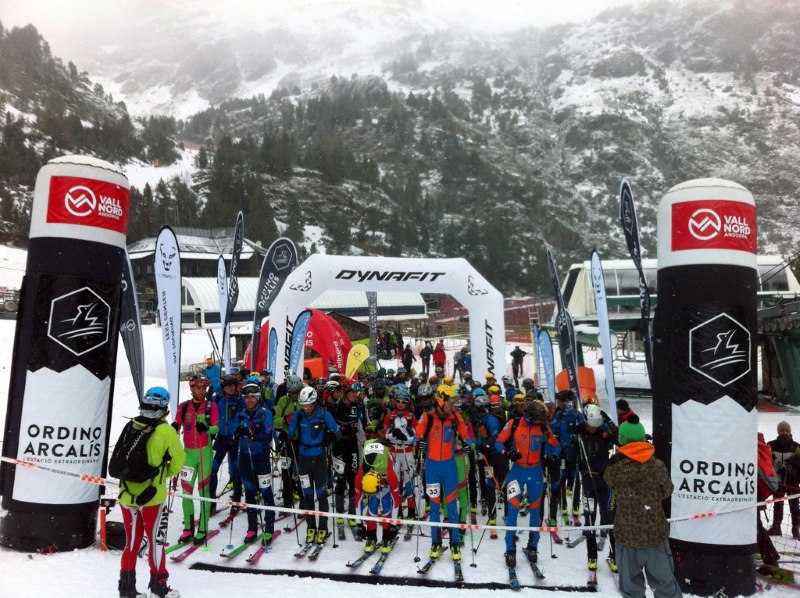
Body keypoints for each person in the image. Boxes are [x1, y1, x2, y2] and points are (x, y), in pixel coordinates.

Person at [118, 387, 185, 598]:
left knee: (131, 543)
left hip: (127, 494)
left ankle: (126, 588)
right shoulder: (166, 431)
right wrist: (161, 475)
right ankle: (159, 586)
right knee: (156, 542)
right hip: (152, 497)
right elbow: (179, 461)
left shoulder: (132, 424)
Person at [603, 414, 681, 598]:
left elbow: (608, 480)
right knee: (665, 586)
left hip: (627, 536)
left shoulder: (616, 469)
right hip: (655, 535)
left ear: (623, 441)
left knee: (631, 589)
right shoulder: (657, 466)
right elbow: (667, 490)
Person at [495, 398, 559, 568]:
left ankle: (532, 546)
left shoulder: (543, 427)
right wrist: (507, 453)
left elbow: (556, 446)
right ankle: (510, 549)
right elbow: (498, 443)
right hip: (517, 472)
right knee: (513, 512)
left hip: (535, 473)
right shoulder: (514, 423)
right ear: (531, 416)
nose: (541, 422)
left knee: (535, 513)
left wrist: (551, 457)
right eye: (539, 419)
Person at [416, 387, 473, 561]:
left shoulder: (456, 418)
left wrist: (468, 444)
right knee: (434, 507)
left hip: (449, 468)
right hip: (432, 468)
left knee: (451, 506)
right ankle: (436, 542)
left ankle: (455, 543)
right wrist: (420, 441)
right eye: (452, 402)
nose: (455, 406)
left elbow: (466, 436)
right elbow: (416, 434)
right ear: (442, 401)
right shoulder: (428, 417)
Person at [285, 385, 341, 545]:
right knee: (307, 494)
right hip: (303, 459)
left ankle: (323, 527)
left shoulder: (324, 414)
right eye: (303, 405)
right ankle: (311, 527)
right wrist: (286, 436)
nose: (306, 408)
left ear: (315, 402)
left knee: (321, 494)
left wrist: (331, 436)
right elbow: (290, 433)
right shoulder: (298, 415)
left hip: (319, 460)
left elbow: (338, 433)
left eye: (309, 405)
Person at [571, 403, 617, 572]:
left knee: (610, 518)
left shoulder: (604, 432)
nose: (594, 428)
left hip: (605, 481)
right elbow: (570, 457)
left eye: (597, 424)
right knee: (589, 519)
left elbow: (618, 438)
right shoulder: (579, 432)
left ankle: (614, 557)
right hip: (588, 481)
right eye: (592, 425)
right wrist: (573, 441)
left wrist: (608, 422)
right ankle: (592, 557)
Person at [174, 375, 219, 545]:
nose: (202, 391)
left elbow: (217, 427)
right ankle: (188, 529)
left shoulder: (211, 406)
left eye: (204, 388)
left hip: (204, 453)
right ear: (191, 388)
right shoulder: (184, 406)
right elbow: (177, 424)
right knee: (186, 492)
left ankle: (203, 528)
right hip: (188, 454)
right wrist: (173, 427)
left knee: (203, 492)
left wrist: (207, 429)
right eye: (198, 388)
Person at [235, 382, 276, 544]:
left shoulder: (266, 414)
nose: (250, 400)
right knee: (250, 493)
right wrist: (236, 434)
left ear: (258, 398)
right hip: (245, 458)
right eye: (247, 397)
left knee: (266, 492)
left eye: (253, 397)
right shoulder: (240, 414)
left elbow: (268, 438)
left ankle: (269, 528)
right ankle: (252, 528)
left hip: (261, 458)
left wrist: (252, 435)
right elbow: (232, 434)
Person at [331, 379, 367, 534]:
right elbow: (329, 427)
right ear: (345, 393)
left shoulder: (359, 406)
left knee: (353, 479)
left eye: (355, 392)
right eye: (351, 392)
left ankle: (352, 513)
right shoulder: (335, 407)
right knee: (341, 479)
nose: (354, 394)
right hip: (339, 446)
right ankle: (339, 513)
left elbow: (364, 425)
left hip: (352, 446)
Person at [355, 438, 402, 553]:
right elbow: (358, 500)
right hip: (373, 472)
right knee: (373, 504)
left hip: (385, 473)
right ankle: (371, 537)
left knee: (387, 504)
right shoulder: (360, 475)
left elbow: (396, 501)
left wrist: (393, 524)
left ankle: (386, 538)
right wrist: (359, 524)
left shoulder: (390, 473)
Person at [209, 374, 242, 504]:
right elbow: (209, 416)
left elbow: (246, 416)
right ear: (223, 387)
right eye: (229, 385)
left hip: (235, 440)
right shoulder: (216, 399)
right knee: (212, 469)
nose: (232, 388)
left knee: (235, 471)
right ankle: (211, 502)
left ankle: (237, 500)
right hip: (220, 439)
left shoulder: (240, 399)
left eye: (234, 385)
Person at [274, 374, 303, 508]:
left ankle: (303, 499)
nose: (295, 395)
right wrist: (285, 419)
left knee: (303, 471)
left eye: (297, 392)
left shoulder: (305, 399)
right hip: (288, 440)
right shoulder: (282, 401)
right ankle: (287, 498)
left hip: (303, 441)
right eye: (292, 393)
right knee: (286, 470)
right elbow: (275, 422)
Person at [768, 421, 800, 538]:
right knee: (778, 505)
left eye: (787, 430)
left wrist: (789, 464)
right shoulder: (771, 445)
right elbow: (766, 461)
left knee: (794, 505)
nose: (784, 433)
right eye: (782, 430)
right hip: (778, 481)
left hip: (792, 481)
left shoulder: (796, 446)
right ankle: (776, 528)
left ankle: (795, 529)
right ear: (778, 431)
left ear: (790, 432)